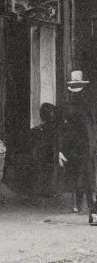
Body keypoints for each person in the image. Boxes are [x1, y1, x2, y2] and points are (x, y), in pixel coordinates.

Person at [60, 71, 97, 224]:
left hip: (81, 147)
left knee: (85, 179)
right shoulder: (87, 104)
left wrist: (63, 149)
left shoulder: (73, 107)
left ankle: (89, 211)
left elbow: (72, 130)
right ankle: (90, 211)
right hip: (86, 147)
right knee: (87, 178)